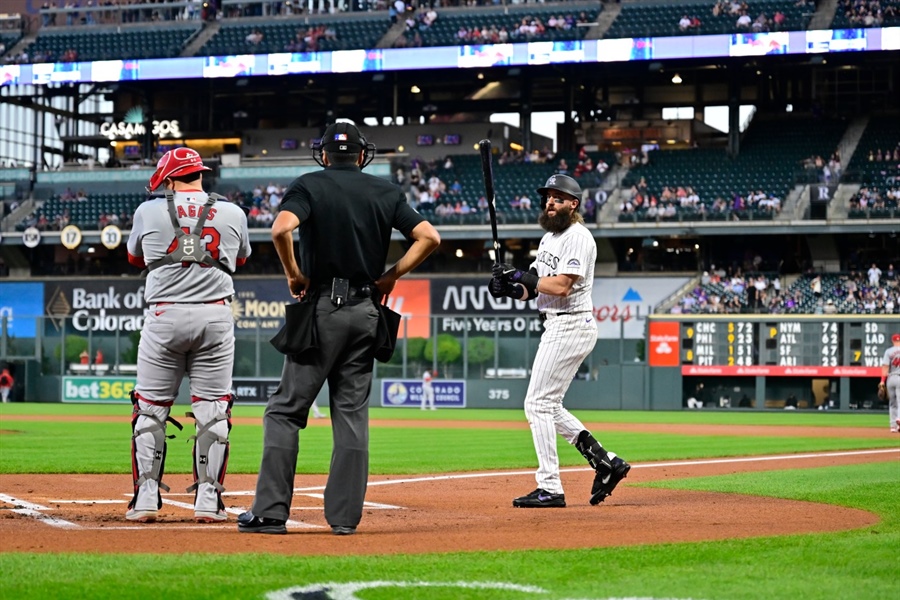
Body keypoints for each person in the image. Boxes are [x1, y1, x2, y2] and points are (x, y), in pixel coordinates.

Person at [238, 121, 440, 535]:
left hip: (322, 309)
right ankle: (345, 520)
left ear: (325, 154)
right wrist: (390, 277)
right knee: (350, 415)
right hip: (367, 309)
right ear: (362, 156)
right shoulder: (386, 190)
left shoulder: (309, 184)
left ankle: (271, 512)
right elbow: (430, 237)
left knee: (285, 410)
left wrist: (293, 273)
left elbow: (280, 228)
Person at [124, 147, 251, 523]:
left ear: (168, 178)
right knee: (213, 411)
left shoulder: (148, 209)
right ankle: (208, 501)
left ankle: (146, 498)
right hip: (215, 315)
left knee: (150, 409)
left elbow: (134, 259)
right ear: (199, 174)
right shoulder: (233, 211)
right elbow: (239, 260)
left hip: (164, 315)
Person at [489, 174, 630, 508]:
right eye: (548, 197)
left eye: (558, 197)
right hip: (556, 325)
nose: (550, 202)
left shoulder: (578, 237)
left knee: (536, 404)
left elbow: (562, 286)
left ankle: (550, 487)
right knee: (549, 406)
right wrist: (508, 287)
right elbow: (533, 287)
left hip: (570, 324)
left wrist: (521, 276)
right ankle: (605, 462)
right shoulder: (548, 238)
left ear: (573, 204)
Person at [881, 333, 900, 433]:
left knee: (892, 403)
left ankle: (893, 426)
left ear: (893, 341)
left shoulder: (888, 351)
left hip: (891, 378)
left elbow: (885, 367)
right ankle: (899, 419)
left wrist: (882, 381)